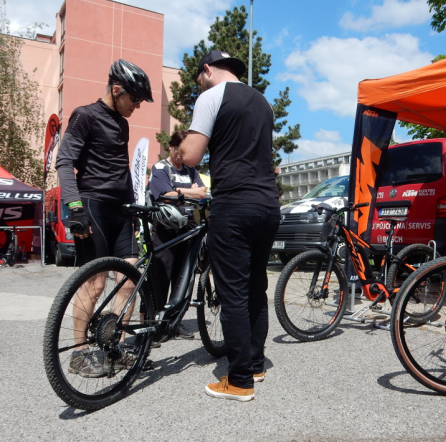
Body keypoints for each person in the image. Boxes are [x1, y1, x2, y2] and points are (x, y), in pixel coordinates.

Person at [180, 51, 280, 402]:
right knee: (255, 287)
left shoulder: (211, 96)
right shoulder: (263, 102)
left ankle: (238, 381)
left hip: (235, 203)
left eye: (199, 78)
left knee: (233, 293)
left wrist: (180, 148)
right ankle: (254, 364)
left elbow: (191, 155)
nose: (200, 85)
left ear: (207, 69)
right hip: (268, 206)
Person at [55, 59, 154, 377]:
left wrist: (135, 210)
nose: (137, 106)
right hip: (92, 207)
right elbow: (64, 162)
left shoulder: (122, 124)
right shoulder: (85, 115)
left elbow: (120, 170)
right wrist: (73, 209)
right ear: (116, 90)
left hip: (121, 211)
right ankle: (79, 354)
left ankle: (116, 350)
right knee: (95, 285)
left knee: (127, 281)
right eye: (135, 99)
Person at [148, 130, 206, 342]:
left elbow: (202, 192)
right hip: (165, 227)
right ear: (171, 147)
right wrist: (185, 192)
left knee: (184, 276)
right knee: (161, 276)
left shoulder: (191, 170)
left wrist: (177, 192)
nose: (182, 155)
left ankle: (175, 322)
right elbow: (163, 194)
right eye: (179, 150)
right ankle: (155, 325)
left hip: (188, 226)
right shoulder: (161, 168)